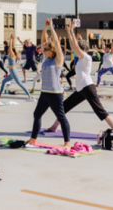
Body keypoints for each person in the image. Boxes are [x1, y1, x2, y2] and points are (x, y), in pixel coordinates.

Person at [45, 22, 113, 133]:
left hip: (88, 88)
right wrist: (69, 31)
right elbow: (73, 44)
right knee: (64, 107)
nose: (75, 48)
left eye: (78, 47)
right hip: (81, 89)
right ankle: (54, 127)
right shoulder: (80, 59)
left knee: (100, 111)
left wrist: (71, 31)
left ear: (82, 49)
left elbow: (74, 45)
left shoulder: (86, 58)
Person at [27, 19, 71, 148]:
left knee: (61, 117)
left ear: (52, 50)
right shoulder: (46, 59)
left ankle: (67, 143)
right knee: (37, 115)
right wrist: (44, 27)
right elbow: (42, 42)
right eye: (44, 49)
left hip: (55, 94)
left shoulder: (58, 60)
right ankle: (33, 139)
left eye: (46, 49)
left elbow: (56, 42)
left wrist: (51, 27)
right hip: (44, 93)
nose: (44, 51)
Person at [0, 33, 33, 100]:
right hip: (11, 73)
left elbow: (11, 47)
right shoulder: (11, 54)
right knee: (3, 82)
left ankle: (29, 95)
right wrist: (12, 39)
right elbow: (12, 46)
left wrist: (11, 38)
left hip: (14, 72)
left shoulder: (13, 55)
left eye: (10, 50)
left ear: (12, 51)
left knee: (20, 84)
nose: (9, 50)